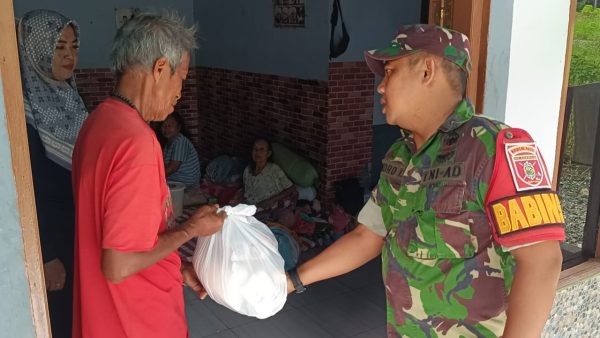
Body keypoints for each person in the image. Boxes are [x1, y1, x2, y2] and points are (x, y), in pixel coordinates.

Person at [286, 24, 565, 338]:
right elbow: (367, 237)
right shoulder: (399, 156)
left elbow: (541, 261)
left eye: (390, 71)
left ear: (427, 71)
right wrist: (292, 280)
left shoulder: (493, 148)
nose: (381, 86)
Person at [71, 11, 225, 338]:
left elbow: (126, 234)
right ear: (159, 69)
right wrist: (191, 229)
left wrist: (175, 266)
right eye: (181, 78)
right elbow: (119, 265)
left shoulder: (97, 123)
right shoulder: (137, 143)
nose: (180, 92)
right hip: (137, 321)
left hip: (102, 316)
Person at [17, 9, 88, 338]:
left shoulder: (72, 98)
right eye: (59, 47)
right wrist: (46, 255)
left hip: (81, 229)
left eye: (73, 47)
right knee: (59, 321)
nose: (69, 56)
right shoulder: (23, 112)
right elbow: (26, 191)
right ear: (36, 50)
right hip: (53, 237)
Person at [239, 138, 297, 227]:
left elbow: (291, 188)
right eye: (255, 149)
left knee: (288, 217)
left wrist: (271, 200)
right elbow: (245, 188)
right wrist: (238, 197)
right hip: (252, 210)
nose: (257, 152)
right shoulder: (247, 170)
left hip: (271, 209)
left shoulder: (274, 169)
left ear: (268, 154)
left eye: (262, 149)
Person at [161, 112, 201, 187]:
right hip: (174, 180)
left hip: (185, 183)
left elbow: (172, 168)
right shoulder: (168, 144)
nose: (166, 128)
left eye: (170, 125)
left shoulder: (180, 141)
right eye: (164, 125)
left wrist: (155, 177)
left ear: (179, 127)